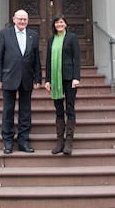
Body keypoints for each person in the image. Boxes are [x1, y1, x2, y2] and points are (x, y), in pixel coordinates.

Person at [0, 9, 42, 154]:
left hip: (27, 78)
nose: (22, 22)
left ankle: (23, 142)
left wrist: (38, 78)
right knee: (8, 111)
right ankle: (8, 142)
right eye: (20, 19)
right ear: (14, 19)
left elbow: (36, 60)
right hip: (9, 77)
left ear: (28, 21)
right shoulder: (4, 34)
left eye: (25, 19)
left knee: (25, 112)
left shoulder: (33, 35)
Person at [45, 13, 81, 155]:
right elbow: (48, 62)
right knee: (59, 110)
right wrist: (48, 80)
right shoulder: (51, 40)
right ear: (54, 25)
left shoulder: (72, 38)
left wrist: (76, 77)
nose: (59, 24)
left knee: (70, 108)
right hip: (55, 79)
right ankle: (59, 141)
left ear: (65, 24)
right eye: (57, 22)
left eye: (61, 22)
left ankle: (69, 142)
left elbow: (77, 59)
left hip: (69, 78)